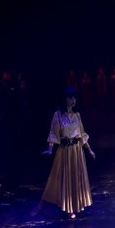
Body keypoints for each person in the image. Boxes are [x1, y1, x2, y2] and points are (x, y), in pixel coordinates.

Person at [32, 87, 96, 219]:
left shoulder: (77, 115)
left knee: (75, 179)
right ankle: (41, 205)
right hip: (64, 152)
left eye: (74, 97)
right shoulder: (58, 115)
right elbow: (53, 132)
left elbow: (82, 134)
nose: (73, 100)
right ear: (65, 99)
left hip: (76, 151)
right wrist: (50, 149)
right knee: (55, 179)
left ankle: (71, 208)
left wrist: (89, 150)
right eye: (70, 97)